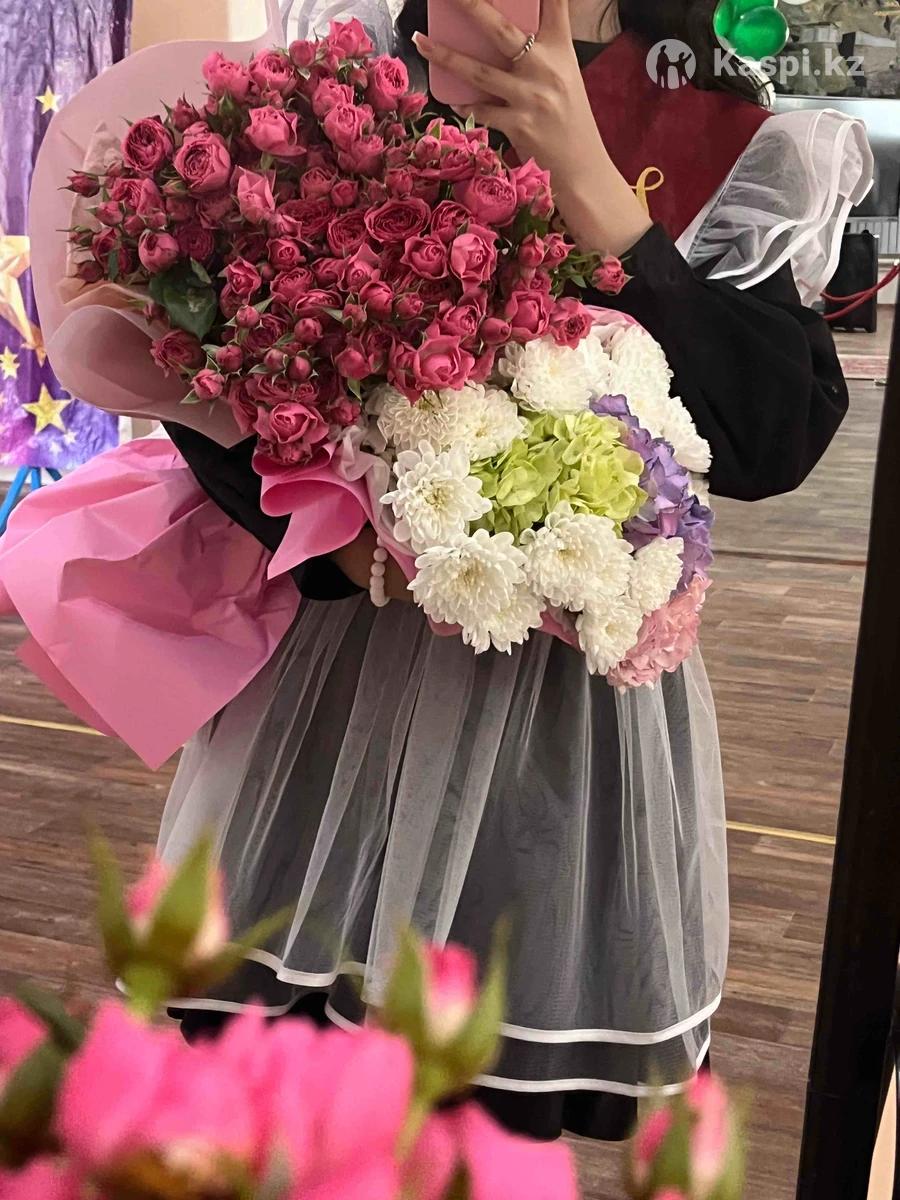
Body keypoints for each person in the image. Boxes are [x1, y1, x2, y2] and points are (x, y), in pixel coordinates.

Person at [3, 0, 872, 1145]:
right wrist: (340, 544)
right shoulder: (344, 77)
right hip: (333, 699)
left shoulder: (711, 120)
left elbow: (767, 434)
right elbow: (201, 362)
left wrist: (593, 182)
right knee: (283, 1100)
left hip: (564, 721)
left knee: (485, 1116)